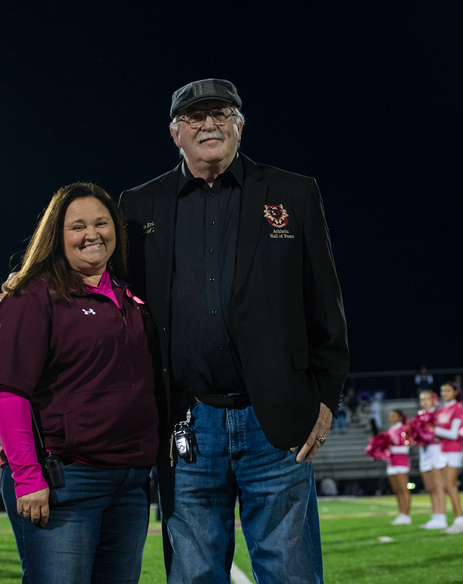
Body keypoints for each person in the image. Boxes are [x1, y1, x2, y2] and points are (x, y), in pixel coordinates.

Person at [118, 78, 349, 583]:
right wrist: (31, 285)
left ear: (240, 126)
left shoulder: (293, 192)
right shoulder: (138, 205)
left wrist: (327, 398)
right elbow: (113, 298)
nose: (210, 124)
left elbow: (325, 306)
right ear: (175, 133)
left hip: (277, 422)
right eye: (196, 116)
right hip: (187, 421)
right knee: (193, 575)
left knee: (290, 573)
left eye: (221, 113)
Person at [0, 182, 161, 583]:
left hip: (130, 482)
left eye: (101, 223)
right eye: (77, 226)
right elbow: (9, 391)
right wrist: (27, 477)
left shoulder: (131, 294)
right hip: (66, 480)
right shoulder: (32, 296)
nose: (92, 234)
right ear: (56, 235)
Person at [434, 381, 463, 534]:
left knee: (449, 485)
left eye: (448, 390)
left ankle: (460, 520)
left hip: (454, 450)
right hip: (443, 450)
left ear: (455, 392)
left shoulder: (458, 408)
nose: (444, 393)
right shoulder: (441, 410)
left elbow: (454, 434)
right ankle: (457, 520)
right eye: (443, 391)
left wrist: (434, 430)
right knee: (447, 485)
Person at [417, 391, 446, 530]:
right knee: (429, 487)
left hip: (436, 449)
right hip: (424, 451)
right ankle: (435, 516)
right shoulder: (419, 416)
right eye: (422, 399)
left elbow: (442, 432)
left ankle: (442, 517)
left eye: (427, 399)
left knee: (438, 485)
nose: (425, 402)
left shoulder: (439, 413)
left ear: (434, 400)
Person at [387, 409, 411, 525]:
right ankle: (401, 513)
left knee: (404, 490)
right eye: (390, 416)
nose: (391, 418)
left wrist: (390, 449)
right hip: (391, 463)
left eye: (394, 416)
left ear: (400, 417)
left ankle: (407, 515)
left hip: (401, 463)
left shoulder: (403, 429)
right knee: (397, 490)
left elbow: (405, 449)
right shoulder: (391, 430)